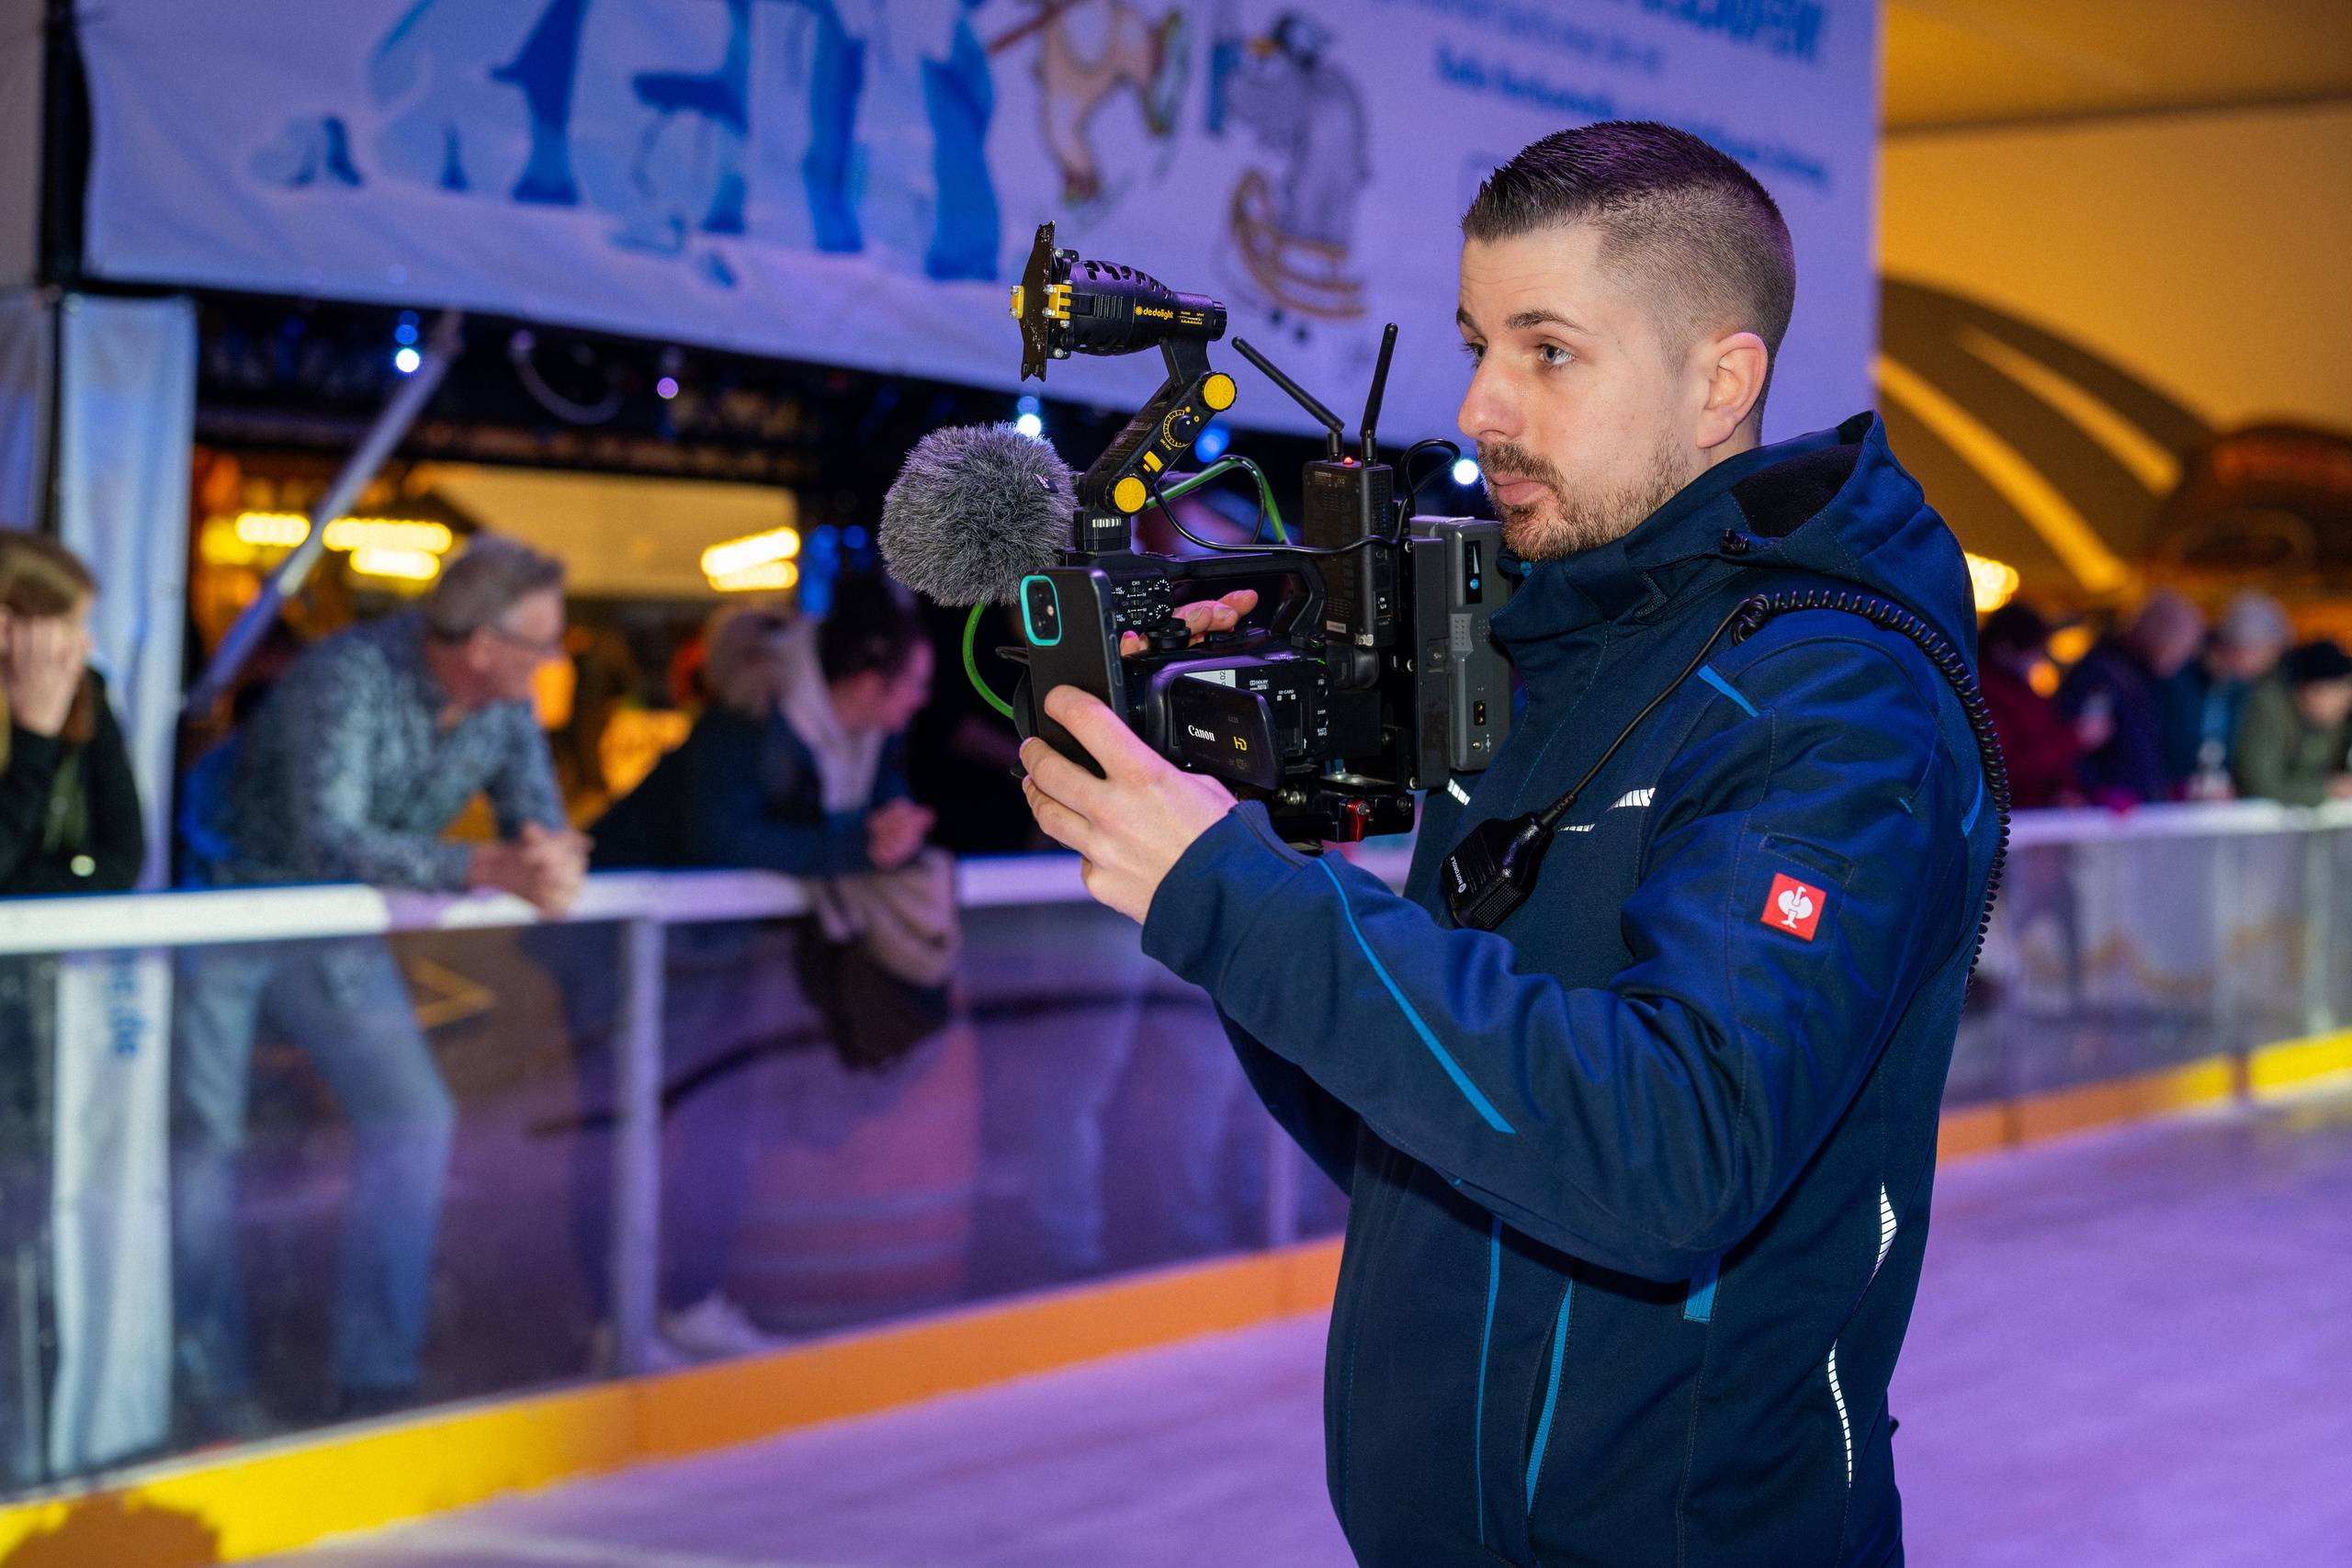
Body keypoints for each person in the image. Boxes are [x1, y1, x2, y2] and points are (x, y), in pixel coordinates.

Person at [1019, 122, 2000, 1565]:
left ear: (1721, 382)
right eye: (1480, 344)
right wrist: (1234, 840)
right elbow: (1424, 1134)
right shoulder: (1549, 655)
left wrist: (1243, 906)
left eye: (1549, 351)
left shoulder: (1832, 704)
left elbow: (1679, 1152)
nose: (1482, 404)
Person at [173, 536, 586, 1432]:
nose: (555, 660)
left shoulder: (506, 706)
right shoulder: (349, 672)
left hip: (329, 928)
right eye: (543, 643)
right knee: (205, 1142)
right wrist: (483, 866)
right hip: (224, 907)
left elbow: (537, 827)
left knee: (412, 1116)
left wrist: (555, 861)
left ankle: (376, 1372)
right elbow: (331, 837)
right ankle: (212, 1384)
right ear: (485, 646)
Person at [559, 573, 934, 1362]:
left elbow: (873, 811)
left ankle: (690, 1302)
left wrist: (892, 828)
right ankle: (614, 1320)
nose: (919, 704)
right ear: (871, 679)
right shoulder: (751, 710)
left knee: (720, 1123)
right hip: (616, 936)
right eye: (914, 685)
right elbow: (721, 836)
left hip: (715, 945)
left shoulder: (870, 740)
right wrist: (856, 846)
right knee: (622, 1126)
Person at [0, 532, 143, 1485]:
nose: (83, 646)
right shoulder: (51, 716)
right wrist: (34, 738)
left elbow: (120, 860)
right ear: (8, 626)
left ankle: (25, 1459)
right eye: (68, 623)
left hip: (39, 1017)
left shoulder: (88, 699)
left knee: (25, 1230)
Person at [2056, 589, 2203, 806]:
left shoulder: (2146, 677)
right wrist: (2094, 790)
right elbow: (2078, 741)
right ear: (2159, 634)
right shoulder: (2102, 672)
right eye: (2179, 646)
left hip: (2138, 807)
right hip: (2105, 812)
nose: (2181, 658)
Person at [2162, 590, 2293, 798]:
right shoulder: (2177, 678)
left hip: (2210, 804)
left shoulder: (2238, 690)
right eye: (2268, 653)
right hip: (2166, 805)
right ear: (2243, 648)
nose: (2269, 665)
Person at [1976, 601, 2090, 810]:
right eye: (2031, 651)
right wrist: (2073, 738)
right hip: (2010, 816)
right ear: (2004, 648)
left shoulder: (2021, 690)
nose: (2035, 659)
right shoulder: (1983, 695)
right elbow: (2006, 767)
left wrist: (2060, 789)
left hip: (2035, 812)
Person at [2233, 639, 2352, 805]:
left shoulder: (2338, 720)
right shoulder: (2269, 707)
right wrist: (2327, 790)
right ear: (2312, 690)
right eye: (2339, 698)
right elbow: (2260, 784)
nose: (2344, 706)